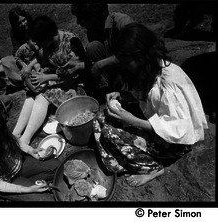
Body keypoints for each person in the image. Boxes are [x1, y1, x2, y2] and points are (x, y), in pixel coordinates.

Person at [93, 23, 208, 187]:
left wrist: (132, 120)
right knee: (99, 119)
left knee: (109, 133)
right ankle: (134, 157)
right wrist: (122, 94)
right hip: (158, 125)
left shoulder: (170, 81)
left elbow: (176, 129)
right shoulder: (147, 69)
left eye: (126, 62)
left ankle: (153, 168)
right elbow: (144, 96)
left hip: (174, 141)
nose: (124, 66)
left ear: (140, 56)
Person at [12, 15, 88, 152]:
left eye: (41, 43)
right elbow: (48, 63)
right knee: (32, 94)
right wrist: (43, 71)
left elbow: (76, 73)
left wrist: (47, 77)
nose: (40, 47)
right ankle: (15, 134)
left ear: (49, 36)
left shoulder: (71, 43)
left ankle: (25, 139)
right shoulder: (49, 45)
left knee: (43, 94)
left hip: (76, 85)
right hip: (59, 81)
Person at [71, 3, 135, 104]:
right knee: (93, 47)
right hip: (115, 71)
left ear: (97, 15)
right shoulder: (92, 31)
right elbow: (98, 55)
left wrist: (101, 64)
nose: (79, 22)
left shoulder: (122, 22)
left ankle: (128, 94)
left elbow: (135, 53)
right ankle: (106, 91)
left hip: (132, 69)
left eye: (82, 18)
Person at [0, 7, 33, 94]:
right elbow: (17, 53)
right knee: (4, 62)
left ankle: (29, 79)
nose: (23, 24)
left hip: (37, 58)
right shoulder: (14, 33)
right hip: (24, 59)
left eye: (24, 20)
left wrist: (30, 65)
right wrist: (24, 65)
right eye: (19, 23)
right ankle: (24, 79)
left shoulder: (35, 25)